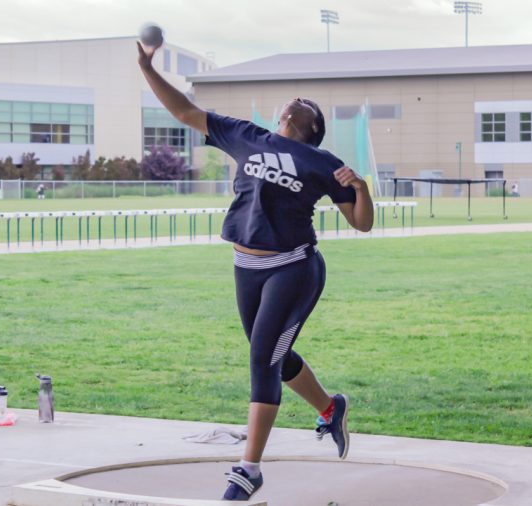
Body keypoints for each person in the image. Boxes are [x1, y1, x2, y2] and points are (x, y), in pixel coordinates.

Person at [138, 41, 374, 501]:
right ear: (281, 116)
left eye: (310, 105)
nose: (300, 101)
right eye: (296, 100)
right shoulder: (245, 135)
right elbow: (185, 111)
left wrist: (361, 187)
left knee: (262, 360)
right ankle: (331, 407)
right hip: (245, 266)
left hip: (294, 269)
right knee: (275, 355)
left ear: (311, 129)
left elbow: (361, 224)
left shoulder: (323, 164)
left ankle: (249, 470)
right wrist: (147, 67)